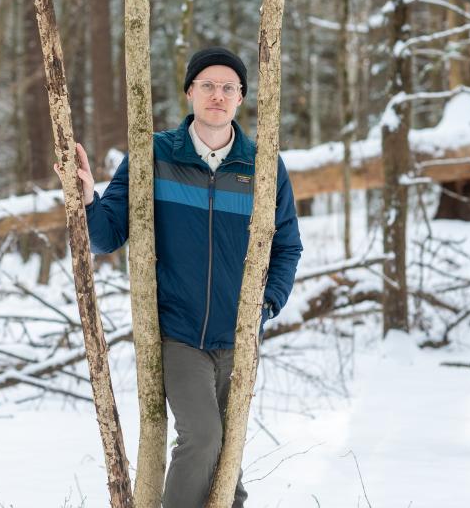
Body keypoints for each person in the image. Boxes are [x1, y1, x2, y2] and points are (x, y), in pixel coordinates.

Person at [64, 47, 303, 507]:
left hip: (239, 337)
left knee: (227, 461)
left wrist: (266, 304)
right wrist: (86, 199)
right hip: (178, 334)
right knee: (203, 439)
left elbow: (287, 246)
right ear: (190, 91)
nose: (218, 95)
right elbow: (107, 235)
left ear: (241, 99)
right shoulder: (153, 155)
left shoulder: (263, 166)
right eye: (208, 85)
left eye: (228, 88)